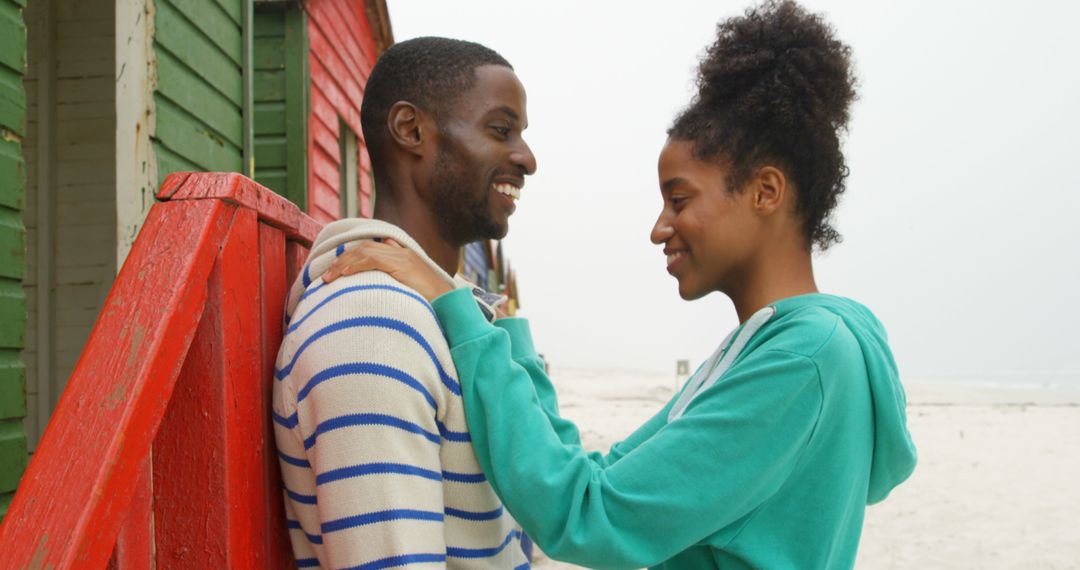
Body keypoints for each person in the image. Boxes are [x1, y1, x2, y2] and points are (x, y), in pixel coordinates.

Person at [323, 2, 918, 568]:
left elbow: (590, 517)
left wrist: (457, 312)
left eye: (679, 200)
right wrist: (496, 331)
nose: (660, 229)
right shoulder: (774, 346)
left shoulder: (802, 360)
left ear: (765, 192)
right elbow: (593, 475)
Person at [272, 36, 537, 569]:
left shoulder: (436, 314)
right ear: (411, 131)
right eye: (501, 130)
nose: (527, 159)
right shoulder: (373, 326)